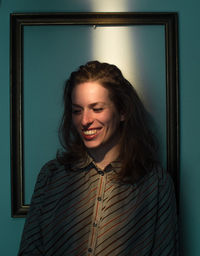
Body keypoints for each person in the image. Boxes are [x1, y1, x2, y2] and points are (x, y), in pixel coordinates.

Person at [18, 61, 179, 255]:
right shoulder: (51, 176)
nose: (85, 121)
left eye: (97, 109)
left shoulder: (156, 183)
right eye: (77, 110)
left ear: (122, 111)